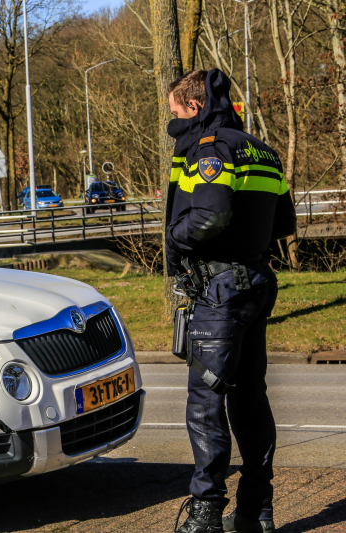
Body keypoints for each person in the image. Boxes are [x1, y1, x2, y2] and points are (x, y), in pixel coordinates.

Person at [165, 69, 296, 533]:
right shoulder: (262, 150)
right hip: (256, 283)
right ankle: (256, 511)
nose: (172, 121)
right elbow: (283, 223)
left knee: (206, 401)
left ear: (194, 105)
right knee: (250, 398)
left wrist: (173, 238)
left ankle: (205, 512)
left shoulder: (211, 149)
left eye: (175, 111)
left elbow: (209, 216)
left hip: (219, 290)